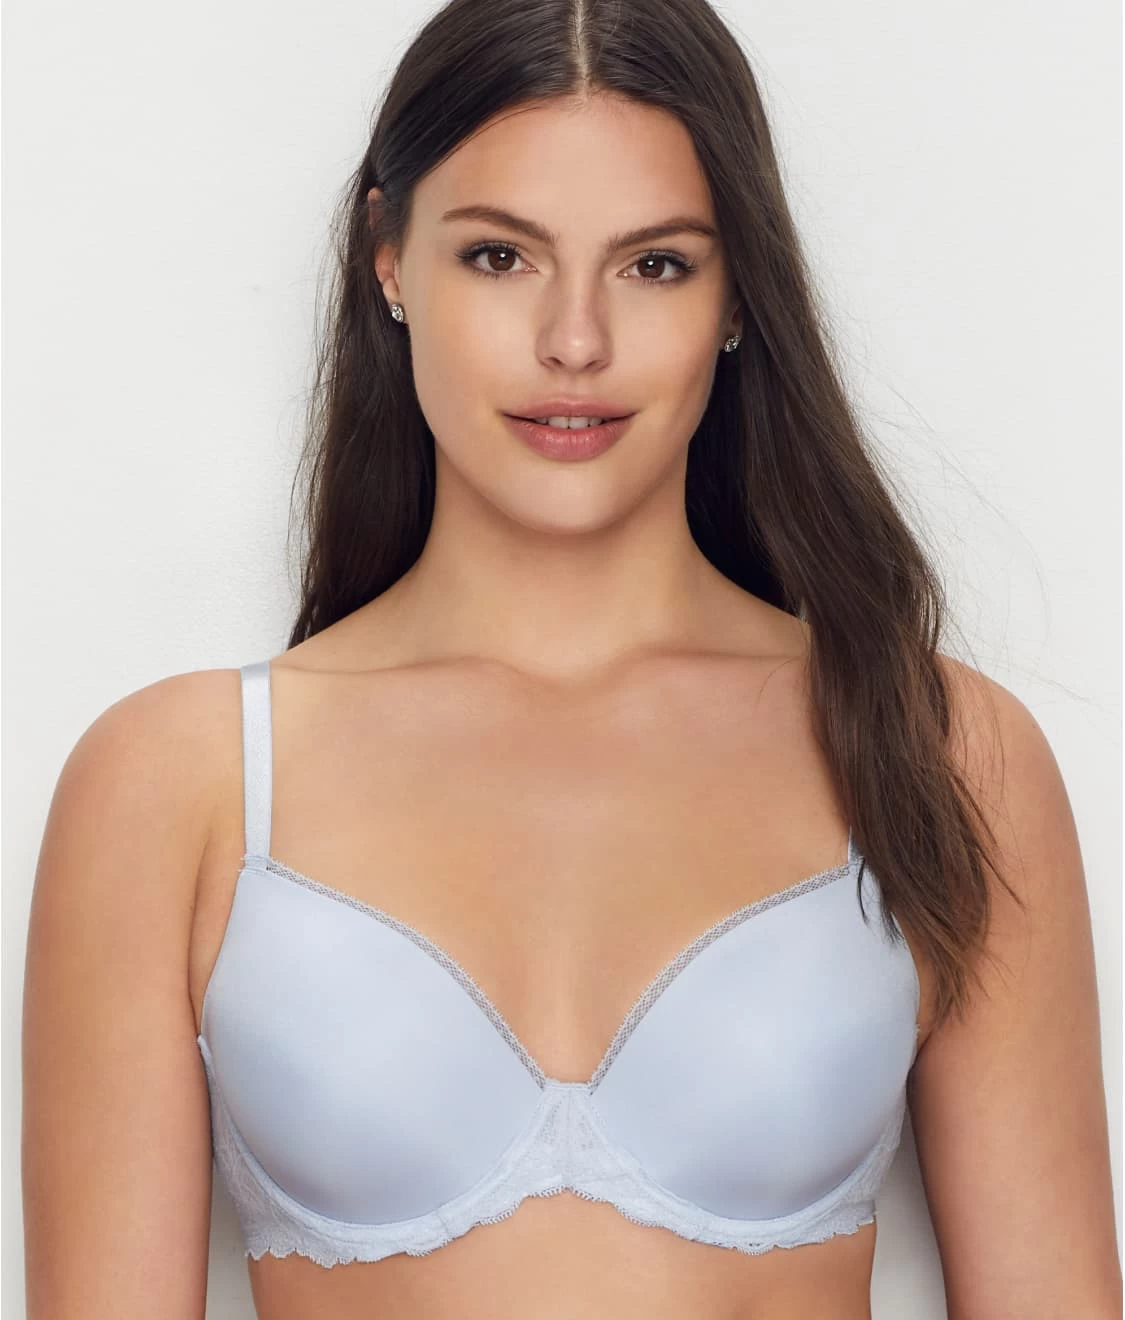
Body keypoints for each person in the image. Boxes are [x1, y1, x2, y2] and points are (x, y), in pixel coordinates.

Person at [21, 0, 1121, 1315]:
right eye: (500, 256)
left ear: (737, 293)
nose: (577, 340)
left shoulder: (939, 750)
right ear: (388, 260)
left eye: (655, 264)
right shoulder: (178, 783)